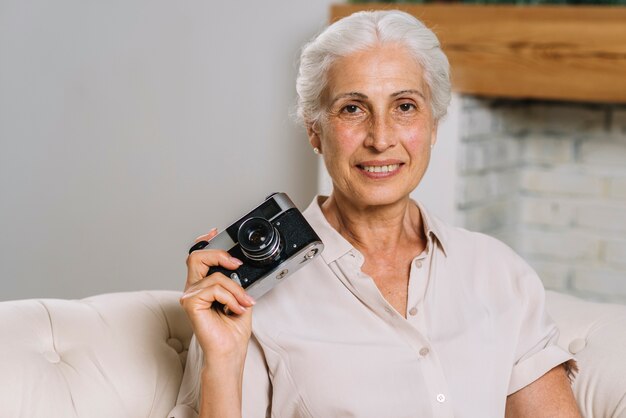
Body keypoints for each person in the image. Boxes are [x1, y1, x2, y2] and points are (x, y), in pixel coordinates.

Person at [174, 10, 581, 418]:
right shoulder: (246, 296)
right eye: (353, 109)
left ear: (433, 125)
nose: (381, 138)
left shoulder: (499, 272)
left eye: (405, 106)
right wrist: (223, 362)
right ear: (314, 130)